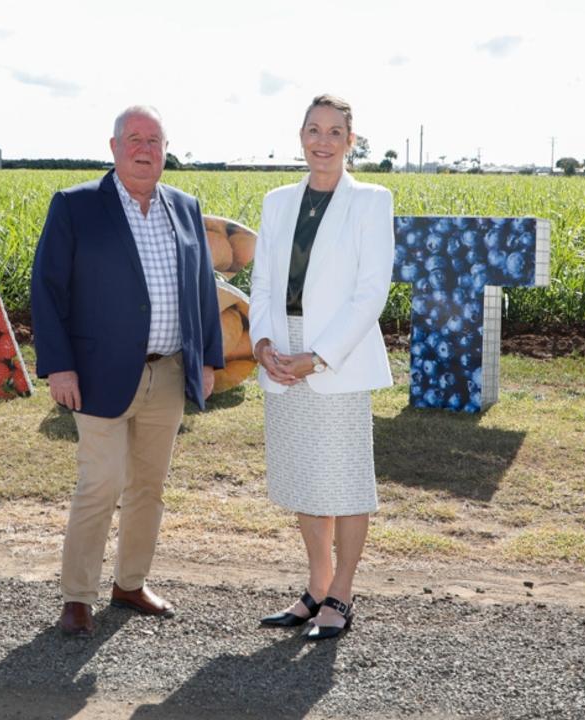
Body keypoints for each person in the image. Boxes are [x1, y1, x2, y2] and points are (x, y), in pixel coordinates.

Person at [30, 105, 223, 637]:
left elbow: (202, 289)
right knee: (101, 482)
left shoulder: (184, 207)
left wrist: (208, 358)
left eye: (155, 141)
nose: (144, 149)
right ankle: (77, 596)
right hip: (95, 374)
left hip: (168, 372)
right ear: (113, 147)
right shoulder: (75, 206)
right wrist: (59, 367)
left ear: (166, 151)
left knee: (149, 487)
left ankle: (131, 583)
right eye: (134, 138)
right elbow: (47, 290)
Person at [248, 94, 394, 641]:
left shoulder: (371, 201)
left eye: (336, 131)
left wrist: (319, 356)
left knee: (347, 482)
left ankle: (342, 595)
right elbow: (262, 283)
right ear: (301, 135)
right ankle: (315, 588)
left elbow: (370, 293)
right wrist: (263, 343)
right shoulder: (278, 200)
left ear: (351, 141)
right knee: (305, 477)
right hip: (282, 349)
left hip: (337, 356)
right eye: (314, 129)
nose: (323, 141)